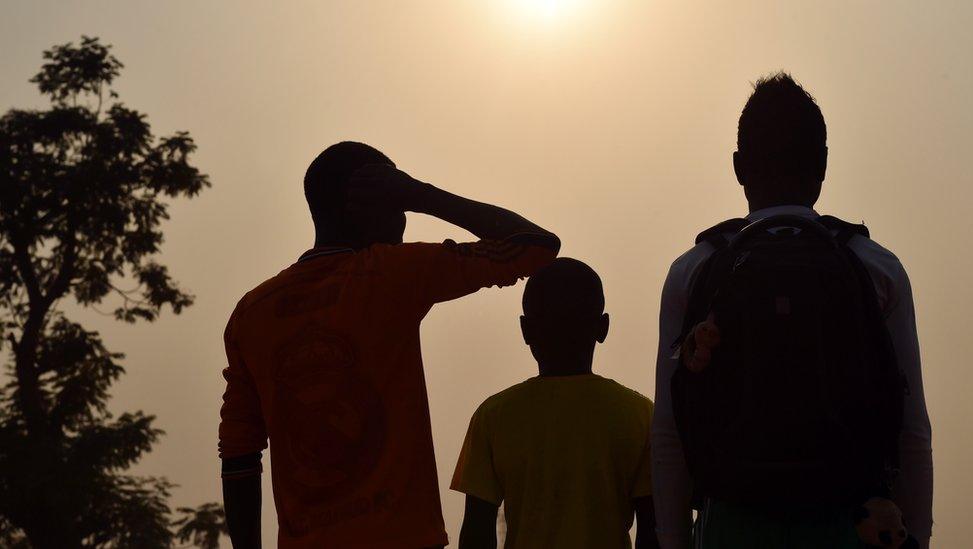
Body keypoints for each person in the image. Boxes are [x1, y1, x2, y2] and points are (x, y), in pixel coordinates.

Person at [218, 141, 560, 548]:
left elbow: (238, 455)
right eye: (395, 202)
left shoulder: (253, 312)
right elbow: (538, 246)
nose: (403, 219)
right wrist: (421, 194)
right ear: (367, 204)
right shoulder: (390, 275)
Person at [650, 73, 933, 548]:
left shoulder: (694, 271)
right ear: (822, 164)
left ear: (739, 167)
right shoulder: (875, 268)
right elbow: (912, 430)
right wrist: (917, 539)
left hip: (732, 525)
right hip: (853, 524)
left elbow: (669, 436)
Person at [451, 258, 659, 549]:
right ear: (602, 327)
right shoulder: (640, 414)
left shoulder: (494, 416)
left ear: (526, 330)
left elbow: (476, 531)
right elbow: (653, 530)